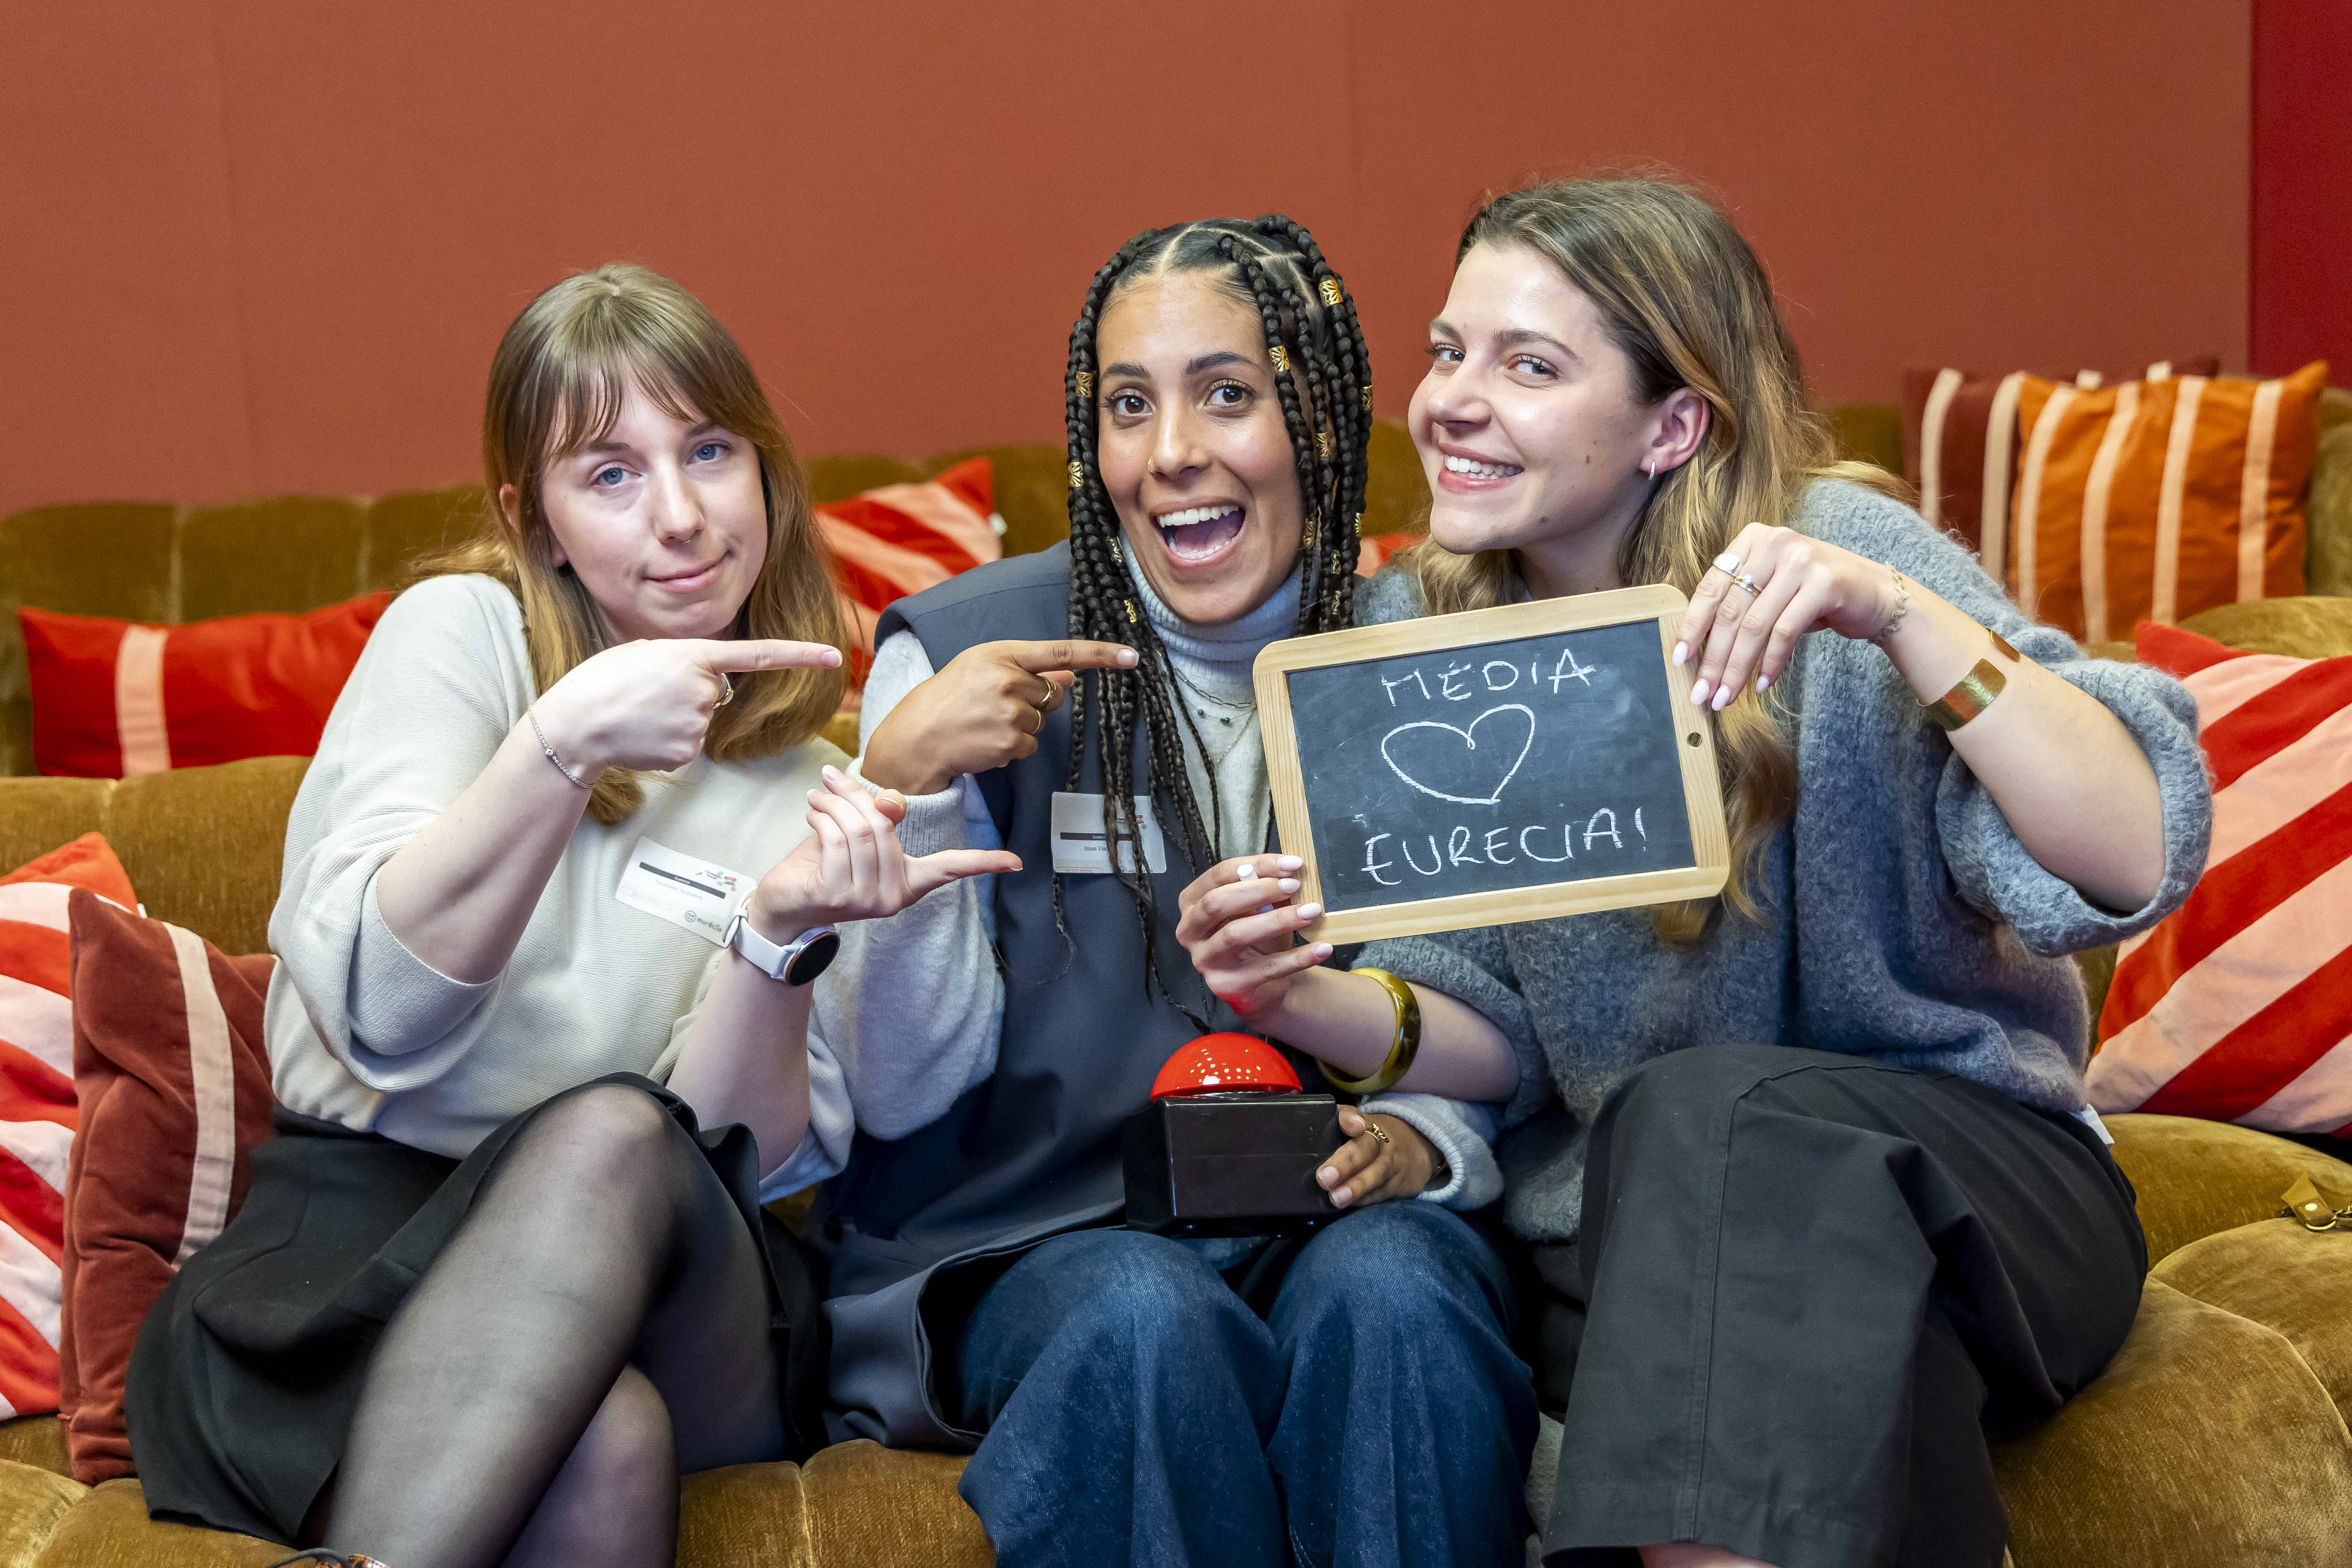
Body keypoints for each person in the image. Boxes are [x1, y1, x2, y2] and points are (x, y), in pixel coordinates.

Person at [1179, 178, 2212, 1568]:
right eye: (1446, 351)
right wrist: (1296, 992)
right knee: (1719, 1189)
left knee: (1717, 1112)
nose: (1448, 402)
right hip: (1636, 1253)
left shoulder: (1842, 563)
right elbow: (1485, 1034)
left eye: (1527, 365)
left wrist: (1899, 619)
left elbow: (2132, 853)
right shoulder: (1413, 633)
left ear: (1673, 424)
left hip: (1976, 1202)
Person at [124, 264, 1009, 1568]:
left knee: (612, 1134)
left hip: (679, 1292)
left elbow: (753, 1161)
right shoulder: (461, 637)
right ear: (530, 520)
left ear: (764, 470)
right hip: (352, 1262)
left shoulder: (814, 778)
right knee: (599, 1442)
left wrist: (773, 936)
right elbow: (376, 1012)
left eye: (710, 451)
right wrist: (557, 742)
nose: (681, 516)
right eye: (608, 474)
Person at [821, 216, 1538, 1568]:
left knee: (1398, 1289)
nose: (1171, 457)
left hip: (1330, 1216)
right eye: (1127, 407)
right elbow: (895, 1091)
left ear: (1316, 418)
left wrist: (1431, 1142)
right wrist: (904, 794)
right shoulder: (965, 659)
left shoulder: (1424, 657)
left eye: (1227, 394)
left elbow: (1511, 997)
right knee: (1145, 1314)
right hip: (1024, 1244)